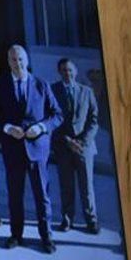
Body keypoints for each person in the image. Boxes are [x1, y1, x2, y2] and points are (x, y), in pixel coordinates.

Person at [0, 44, 60, 253]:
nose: (17, 64)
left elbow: (57, 115)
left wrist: (41, 127)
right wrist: (7, 128)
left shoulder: (41, 85)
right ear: (8, 62)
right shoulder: (0, 86)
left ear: (27, 61)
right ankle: (16, 235)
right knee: (15, 194)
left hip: (37, 149)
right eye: (13, 60)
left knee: (41, 195)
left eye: (20, 59)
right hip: (13, 149)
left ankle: (46, 237)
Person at [51, 58, 100, 234]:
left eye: (70, 70)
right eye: (64, 70)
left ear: (76, 71)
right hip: (63, 147)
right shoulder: (53, 90)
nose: (67, 73)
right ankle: (67, 219)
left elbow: (94, 120)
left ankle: (91, 220)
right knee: (66, 185)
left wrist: (82, 141)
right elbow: (50, 118)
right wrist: (67, 140)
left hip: (84, 147)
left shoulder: (87, 92)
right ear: (59, 72)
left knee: (87, 186)